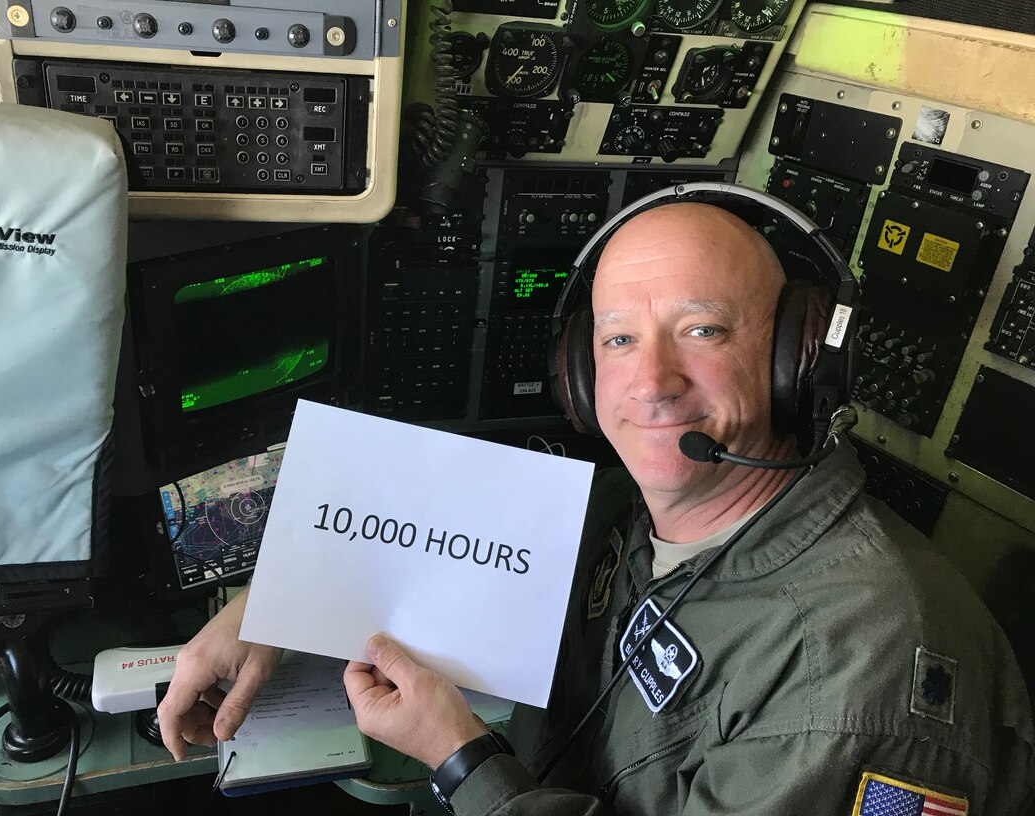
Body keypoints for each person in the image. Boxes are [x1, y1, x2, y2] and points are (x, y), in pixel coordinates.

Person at [158, 202, 1035, 814]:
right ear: (582, 374)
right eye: (619, 339)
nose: (649, 383)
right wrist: (276, 603)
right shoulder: (634, 508)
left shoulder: (861, 678)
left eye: (703, 329)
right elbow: (453, 548)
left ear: (798, 361)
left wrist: (464, 759)